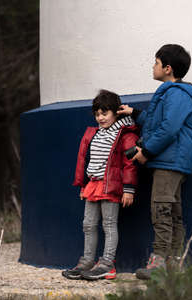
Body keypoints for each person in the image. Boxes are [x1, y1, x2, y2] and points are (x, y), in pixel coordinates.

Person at [117, 44, 192, 279]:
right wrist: (135, 113)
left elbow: (168, 129)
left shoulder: (177, 94)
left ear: (167, 68)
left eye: (156, 62)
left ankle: (158, 263)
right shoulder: (174, 94)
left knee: (161, 210)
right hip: (172, 161)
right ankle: (174, 264)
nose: (153, 66)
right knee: (172, 211)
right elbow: (159, 122)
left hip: (170, 161)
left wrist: (145, 150)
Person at [62, 90, 139, 280]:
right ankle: (87, 261)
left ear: (116, 112)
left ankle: (107, 264)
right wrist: (83, 185)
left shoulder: (125, 134)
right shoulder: (95, 134)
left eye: (104, 113)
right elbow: (87, 160)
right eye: (97, 114)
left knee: (109, 224)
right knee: (88, 224)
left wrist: (129, 189)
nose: (100, 118)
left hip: (111, 185)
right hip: (93, 185)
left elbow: (130, 163)